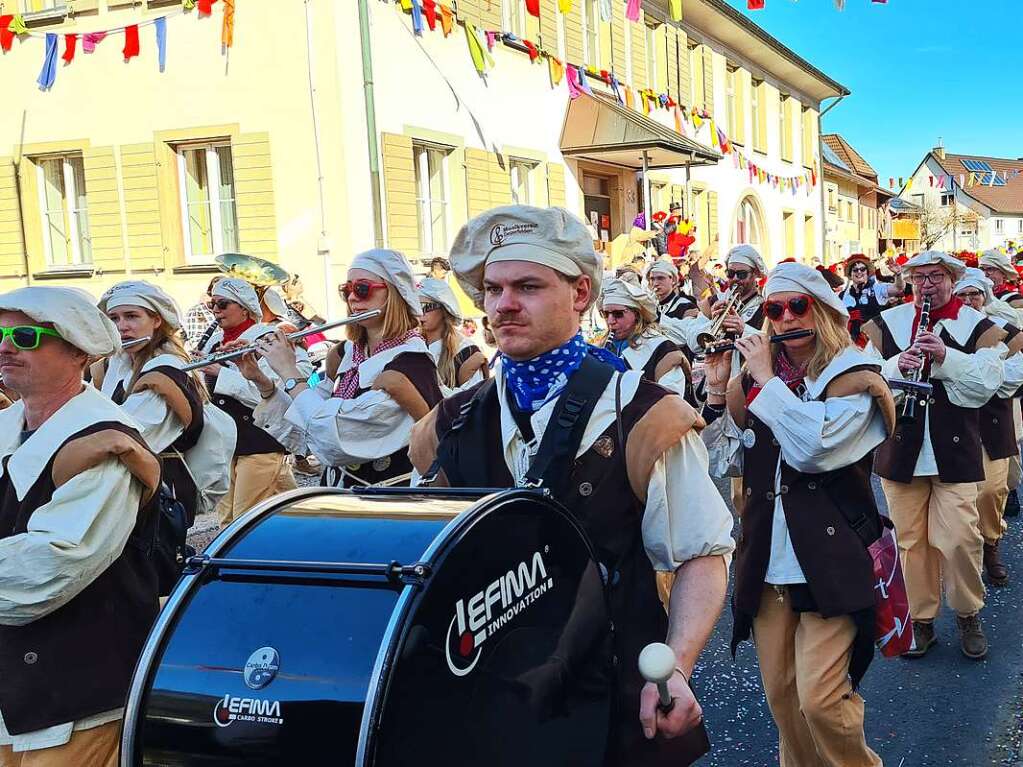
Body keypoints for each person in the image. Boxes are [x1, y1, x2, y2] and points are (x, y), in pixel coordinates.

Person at [408, 205, 734, 767]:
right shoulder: (450, 422)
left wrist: (677, 666)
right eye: (492, 289)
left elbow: (700, 556)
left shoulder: (645, 415)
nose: (503, 304)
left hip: (609, 697)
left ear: (581, 293)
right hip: (486, 705)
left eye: (528, 286)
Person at [701, 262, 891, 767]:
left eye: (796, 307)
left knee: (822, 700)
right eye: (774, 310)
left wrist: (764, 380)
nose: (784, 319)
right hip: (768, 556)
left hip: (830, 556)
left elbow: (812, 449)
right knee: (783, 700)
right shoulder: (756, 381)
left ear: (823, 311)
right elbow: (727, 461)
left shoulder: (854, 378)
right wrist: (722, 391)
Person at [0, 286, 161, 766]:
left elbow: (47, 571)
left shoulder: (105, 442)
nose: (6, 346)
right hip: (14, 690)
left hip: (71, 695)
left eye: (25, 336)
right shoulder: (9, 424)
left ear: (77, 352)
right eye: (1, 334)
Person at [862, 251, 1007, 659]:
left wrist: (944, 357)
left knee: (960, 537)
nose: (928, 285)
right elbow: (862, 378)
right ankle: (921, 621)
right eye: (920, 277)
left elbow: (987, 384)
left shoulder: (976, 325)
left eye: (937, 277)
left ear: (952, 279)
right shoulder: (886, 324)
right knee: (911, 542)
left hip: (955, 450)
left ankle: (967, 613)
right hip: (900, 449)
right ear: (909, 281)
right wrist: (895, 366)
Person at [245, 249, 443, 488]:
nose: (352, 298)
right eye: (346, 290)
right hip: (343, 498)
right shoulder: (346, 353)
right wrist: (261, 380)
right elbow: (306, 420)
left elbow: (335, 437)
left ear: (394, 294)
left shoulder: (411, 363)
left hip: (389, 504)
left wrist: (289, 372)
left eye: (362, 289)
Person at [95, 281, 234, 526]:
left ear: (156, 320)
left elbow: (129, 435)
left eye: (132, 316)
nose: (122, 327)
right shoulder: (118, 364)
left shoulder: (165, 370)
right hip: (128, 493)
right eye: (114, 319)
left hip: (157, 498)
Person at [195, 278, 307, 526]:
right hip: (228, 444)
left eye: (223, 305)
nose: (215, 311)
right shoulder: (216, 344)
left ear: (244, 308)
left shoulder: (267, 340)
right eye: (212, 305)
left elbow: (272, 396)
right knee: (236, 517)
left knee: (242, 520)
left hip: (259, 442)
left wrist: (220, 373)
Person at [953, 269, 1023, 586]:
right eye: (962, 295)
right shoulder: (947, 330)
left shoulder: (1007, 332)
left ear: (985, 296)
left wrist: (973, 377)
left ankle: (992, 542)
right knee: (963, 495)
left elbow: (1012, 376)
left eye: (974, 294)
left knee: (995, 488)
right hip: (955, 422)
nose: (968, 301)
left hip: (994, 420)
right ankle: (974, 551)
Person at [600, 278, 695, 406]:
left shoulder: (663, 350)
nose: (610, 321)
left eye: (618, 314)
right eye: (605, 314)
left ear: (637, 314)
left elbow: (671, 406)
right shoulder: (604, 345)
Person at [417, 278, 488, 393]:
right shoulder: (413, 345)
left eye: (426, 306)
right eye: (415, 307)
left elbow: (473, 401)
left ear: (445, 309)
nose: (420, 313)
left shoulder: (465, 350)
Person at [839, 254, 904, 346]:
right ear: (850, 274)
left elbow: (898, 288)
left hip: (876, 345)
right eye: (855, 270)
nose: (859, 272)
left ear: (867, 272)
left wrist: (898, 274)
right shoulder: (843, 296)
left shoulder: (878, 289)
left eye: (862, 269)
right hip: (851, 346)